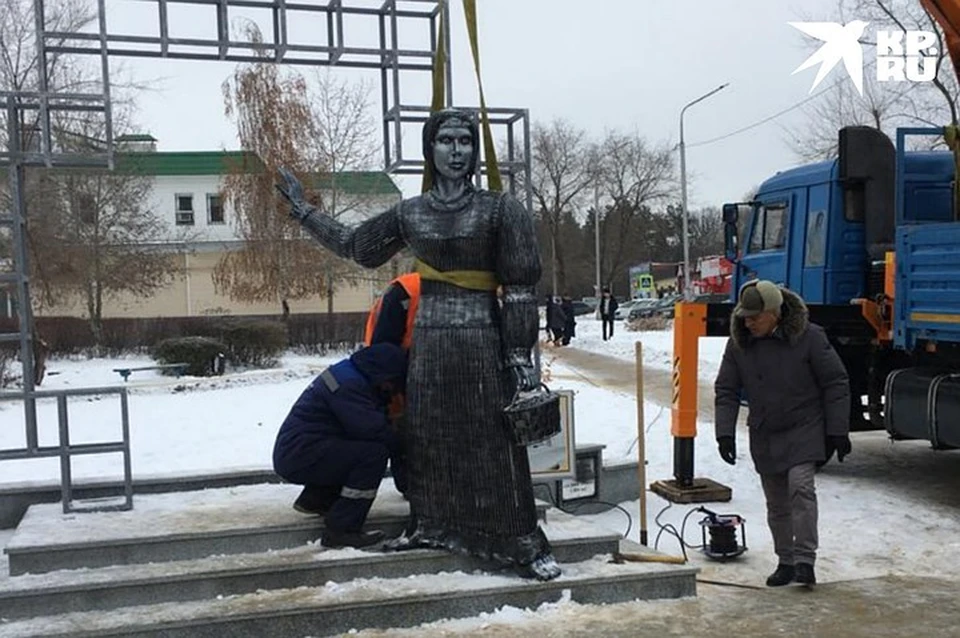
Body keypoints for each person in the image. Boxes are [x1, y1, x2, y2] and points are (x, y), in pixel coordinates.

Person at [275, 108, 560, 581]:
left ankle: (519, 539)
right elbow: (357, 245)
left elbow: (522, 288)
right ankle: (431, 524)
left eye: (465, 142)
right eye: (445, 140)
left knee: (494, 441)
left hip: (482, 339)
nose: (456, 150)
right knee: (426, 438)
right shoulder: (412, 212)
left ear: (473, 150)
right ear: (430, 149)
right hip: (428, 344)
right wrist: (305, 213)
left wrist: (519, 358)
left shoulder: (498, 209)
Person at [714, 280, 851, 587]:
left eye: (754, 317)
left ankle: (805, 561)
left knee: (801, 489)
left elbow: (835, 382)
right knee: (776, 502)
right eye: (744, 317)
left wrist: (837, 431)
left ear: (774, 312)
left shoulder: (810, 337)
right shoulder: (739, 344)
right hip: (765, 430)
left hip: (805, 426)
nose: (747, 322)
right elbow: (726, 388)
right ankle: (786, 561)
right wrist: (725, 433)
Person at [273, 343, 408, 549]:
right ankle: (341, 530)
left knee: (351, 451)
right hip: (300, 454)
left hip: (298, 450)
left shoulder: (349, 373)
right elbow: (372, 430)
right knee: (373, 455)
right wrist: (407, 447)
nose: (393, 390)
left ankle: (316, 499)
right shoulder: (350, 385)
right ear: (383, 374)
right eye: (393, 383)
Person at [362, 272, 421, 495]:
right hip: (395, 370)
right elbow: (383, 346)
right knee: (401, 423)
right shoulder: (406, 290)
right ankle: (409, 484)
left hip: (415, 365)